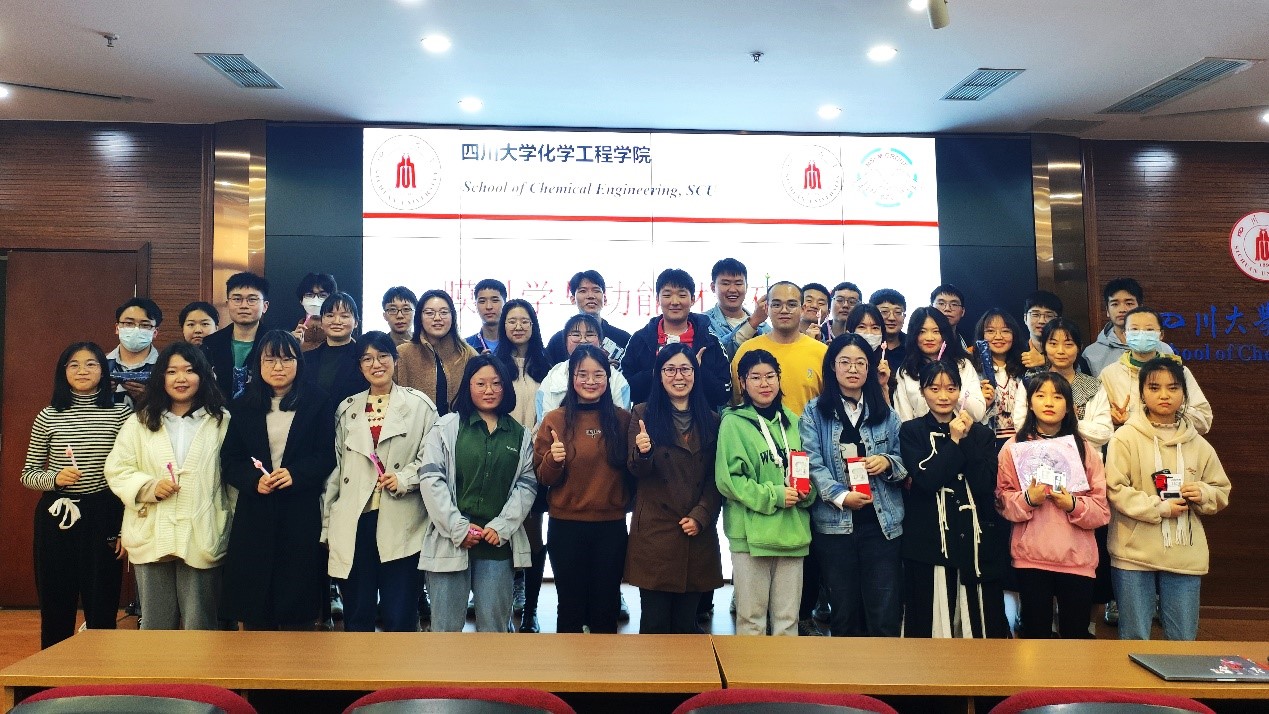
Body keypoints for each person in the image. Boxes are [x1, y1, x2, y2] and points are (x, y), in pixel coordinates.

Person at [105, 343, 232, 630]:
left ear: (203, 375)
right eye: (172, 371)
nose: (181, 378)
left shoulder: (221, 421)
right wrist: (147, 488)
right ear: (161, 377)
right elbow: (117, 469)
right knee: (155, 623)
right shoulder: (139, 421)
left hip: (203, 531)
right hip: (152, 529)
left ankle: (198, 664)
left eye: (190, 370)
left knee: (200, 622)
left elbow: (232, 479)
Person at [1105, 358, 1230, 641]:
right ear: (1142, 393)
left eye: (1173, 388)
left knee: (1183, 641)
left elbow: (1220, 490)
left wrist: (1203, 493)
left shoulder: (1198, 443)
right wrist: (1159, 507)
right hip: (1133, 553)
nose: (1164, 395)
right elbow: (1115, 489)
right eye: (1154, 388)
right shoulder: (1124, 438)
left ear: (1184, 393)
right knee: (1134, 638)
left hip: (1184, 553)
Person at [321, 332, 438, 632]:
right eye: (367, 359)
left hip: (401, 517)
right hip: (355, 519)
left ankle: (398, 665)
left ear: (395, 360)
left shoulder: (420, 406)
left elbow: (431, 458)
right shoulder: (347, 409)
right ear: (359, 366)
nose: (376, 364)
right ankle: (359, 665)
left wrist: (404, 478)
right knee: (357, 612)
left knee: (399, 613)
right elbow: (335, 471)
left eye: (383, 356)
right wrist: (327, 526)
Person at [219, 330, 336, 630]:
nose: (278, 367)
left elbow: (327, 455)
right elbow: (230, 459)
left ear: (299, 363)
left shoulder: (318, 402)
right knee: (256, 607)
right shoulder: (243, 405)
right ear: (258, 364)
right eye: (270, 360)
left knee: (298, 604)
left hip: (300, 510)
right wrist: (252, 480)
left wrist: (297, 473)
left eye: (287, 359)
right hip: (256, 511)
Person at [22, 342, 132, 648]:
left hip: (104, 512)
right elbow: (28, 473)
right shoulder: (48, 415)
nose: (82, 370)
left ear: (103, 371)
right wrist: (55, 479)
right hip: (57, 515)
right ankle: (53, 672)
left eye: (91, 364)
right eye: (74, 365)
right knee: (56, 603)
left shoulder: (120, 414)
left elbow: (130, 471)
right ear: (63, 372)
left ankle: (100, 671)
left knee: (102, 603)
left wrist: (126, 527)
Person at [418, 355, 538, 632]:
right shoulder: (446, 427)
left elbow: (526, 485)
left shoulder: (519, 435)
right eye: (480, 383)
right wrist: (457, 527)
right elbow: (431, 479)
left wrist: (502, 527)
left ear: (506, 387)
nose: (489, 390)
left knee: (494, 631)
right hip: (451, 541)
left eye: (496, 383)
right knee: (445, 631)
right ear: (467, 386)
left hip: (496, 545)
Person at [800, 334, 906, 637]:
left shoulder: (886, 413)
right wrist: (840, 496)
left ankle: (882, 670)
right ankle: (849, 671)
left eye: (860, 362)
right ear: (832, 366)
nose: (852, 369)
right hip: (834, 527)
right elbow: (811, 462)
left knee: (884, 613)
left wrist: (887, 462)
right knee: (844, 613)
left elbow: (903, 460)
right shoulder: (814, 412)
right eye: (845, 362)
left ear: (869, 368)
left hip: (882, 525)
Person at [899, 361, 1008, 638]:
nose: (943, 396)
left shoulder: (981, 433)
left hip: (975, 539)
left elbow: (984, 484)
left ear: (960, 391)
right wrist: (954, 441)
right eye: (934, 389)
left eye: (950, 388)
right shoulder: (911, 431)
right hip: (929, 540)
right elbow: (926, 480)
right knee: (931, 622)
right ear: (922, 392)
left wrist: (966, 439)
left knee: (980, 623)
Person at [996, 373, 1110, 639]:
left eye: (1058, 396)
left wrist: (1073, 504)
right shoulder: (1013, 448)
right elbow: (1002, 501)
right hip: (1031, 558)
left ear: (1069, 406)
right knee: (1035, 639)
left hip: (1077, 559)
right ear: (1030, 403)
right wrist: (1028, 499)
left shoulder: (1084, 450)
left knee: (1074, 637)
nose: (1049, 402)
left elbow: (1102, 510)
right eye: (1041, 395)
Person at [532, 344, 631, 633]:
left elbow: (634, 473)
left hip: (611, 527)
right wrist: (553, 461)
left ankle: (603, 664)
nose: (590, 381)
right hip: (566, 527)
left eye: (598, 374)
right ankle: (570, 664)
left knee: (606, 609)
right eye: (582, 374)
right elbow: (543, 478)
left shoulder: (623, 420)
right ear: (571, 377)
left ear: (608, 378)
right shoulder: (554, 420)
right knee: (570, 608)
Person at [715, 349, 814, 636]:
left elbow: (807, 469)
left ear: (779, 379)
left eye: (770, 376)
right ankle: (751, 669)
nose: (764, 383)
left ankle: (784, 669)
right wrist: (775, 495)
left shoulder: (794, 421)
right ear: (742, 383)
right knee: (751, 621)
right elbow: (729, 481)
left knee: (788, 620)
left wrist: (806, 492)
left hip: (792, 532)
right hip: (750, 536)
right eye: (755, 377)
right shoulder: (733, 422)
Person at [626, 343, 723, 634]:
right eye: (670, 369)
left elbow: (716, 478)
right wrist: (643, 453)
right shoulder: (642, 414)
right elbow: (635, 471)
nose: (678, 376)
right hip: (656, 534)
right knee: (654, 624)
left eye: (685, 369)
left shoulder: (713, 420)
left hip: (695, 532)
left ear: (695, 373)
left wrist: (701, 515)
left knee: (686, 626)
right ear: (659, 375)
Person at [492, 298, 552, 632]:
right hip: (502, 456)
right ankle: (499, 609)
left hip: (538, 458)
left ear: (533, 325)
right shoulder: (494, 364)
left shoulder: (548, 365)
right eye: (511, 321)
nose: (518, 326)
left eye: (524, 321)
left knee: (533, 536)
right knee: (501, 531)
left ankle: (530, 610)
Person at [622, 268, 731, 408]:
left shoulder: (710, 342)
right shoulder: (640, 340)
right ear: (657, 299)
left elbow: (724, 394)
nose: (674, 301)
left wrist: (698, 370)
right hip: (650, 419)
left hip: (700, 420)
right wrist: (656, 372)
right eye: (667, 295)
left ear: (692, 299)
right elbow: (624, 390)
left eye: (682, 295)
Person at [1098, 307, 1212, 435]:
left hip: (1173, 443)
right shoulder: (1109, 374)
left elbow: (1204, 422)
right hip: (1129, 444)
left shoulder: (1179, 372)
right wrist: (1113, 420)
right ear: (1125, 335)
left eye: (1149, 330)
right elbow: (1098, 425)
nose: (1141, 334)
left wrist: (1171, 410)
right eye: (1134, 329)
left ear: (1161, 335)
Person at [730, 281, 827, 417]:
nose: (784, 310)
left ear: (803, 308)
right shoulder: (747, 350)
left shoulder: (822, 353)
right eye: (776, 305)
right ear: (766, 308)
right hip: (757, 429)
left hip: (809, 430)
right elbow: (737, 401)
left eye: (791, 304)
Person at [1016, 319, 1113, 447]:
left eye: (1068, 344)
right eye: (1053, 344)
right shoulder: (1031, 382)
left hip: (1084, 456)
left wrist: (1068, 421)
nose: (1060, 351)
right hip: (1039, 455)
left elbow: (1105, 433)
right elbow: (1021, 425)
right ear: (1044, 346)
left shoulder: (1093, 386)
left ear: (1079, 347)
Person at [892, 307, 986, 424]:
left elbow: (978, 413)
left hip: (962, 432)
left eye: (936, 331)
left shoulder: (962, 365)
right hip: (921, 435)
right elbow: (904, 418)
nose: (929, 338)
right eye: (922, 332)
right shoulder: (906, 372)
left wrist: (952, 388)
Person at [396, 289, 478, 416]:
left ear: (452, 316)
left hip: (458, 427)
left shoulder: (467, 354)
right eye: (430, 313)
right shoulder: (403, 354)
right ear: (419, 317)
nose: (437, 318)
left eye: (444, 312)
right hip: (414, 427)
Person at [536, 313, 631, 419]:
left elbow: (622, 419)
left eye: (590, 335)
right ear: (565, 341)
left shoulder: (616, 378)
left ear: (600, 341)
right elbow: (545, 420)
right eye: (576, 335)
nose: (583, 340)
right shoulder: (554, 376)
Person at [1083, 278, 1173, 375]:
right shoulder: (1091, 354)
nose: (1122, 309)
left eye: (1129, 303)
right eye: (1115, 304)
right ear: (1107, 311)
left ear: (1140, 308)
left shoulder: (1164, 350)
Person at [203, 271, 270, 401]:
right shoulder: (210, 344)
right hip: (218, 411)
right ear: (227, 304)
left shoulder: (275, 344)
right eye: (237, 299)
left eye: (252, 299)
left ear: (265, 306)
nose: (244, 306)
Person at [545, 270, 632, 364]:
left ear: (605, 299)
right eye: (583, 291)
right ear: (573, 299)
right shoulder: (558, 340)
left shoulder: (623, 338)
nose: (590, 296)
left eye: (596, 290)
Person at [973, 308, 1027, 447]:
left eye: (1005, 331)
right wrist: (980, 402)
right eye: (990, 331)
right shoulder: (972, 371)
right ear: (981, 335)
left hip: (1022, 442)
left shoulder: (1025, 370)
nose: (998, 337)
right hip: (986, 444)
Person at [304, 292, 370, 404]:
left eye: (344, 316)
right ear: (321, 322)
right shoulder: (306, 359)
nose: (337, 321)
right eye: (330, 315)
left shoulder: (364, 358)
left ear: (356, 323)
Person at [704, 258, 769, 361]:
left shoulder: (763, 326)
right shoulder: (703, 322)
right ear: (713, 287)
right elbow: (716, 356)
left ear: (746, 287)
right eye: (725, 283)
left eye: (738, 284)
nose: (733, 290)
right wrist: (753, 322)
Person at [107, 297, 162, 407]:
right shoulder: (101, 365)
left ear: (155, 332)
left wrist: (151, 399)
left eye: (145, 325)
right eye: (129, 323)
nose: (136, 330)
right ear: (117, 328)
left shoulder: (165, 367)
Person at [845, 303, 893, 402]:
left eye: (875, 328)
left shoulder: (885, 369)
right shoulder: (839, 365)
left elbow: (888, 411)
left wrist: (883, 386)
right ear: (849, 332)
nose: (869, 333)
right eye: (862, 327)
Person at [291, 272, 338, 352]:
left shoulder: (340, 331)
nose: (315, 300)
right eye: (309, 295)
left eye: (323, 295)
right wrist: (290, 344)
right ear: (301, 300)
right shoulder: (292, 332)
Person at [1020, 290, 1062, 369]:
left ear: (1059, 320)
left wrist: (1046, 361)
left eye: (1049, 316)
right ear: (1025, 318)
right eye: (1035, 314)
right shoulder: (1015, 352)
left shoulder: (1067, 352)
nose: (1041, 321)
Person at [869, 288, 907, 375]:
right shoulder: (866, 344)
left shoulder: (913, 346)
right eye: (884, 312)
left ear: (904, 316)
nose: (891, 318)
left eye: (898, 312)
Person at [465, 278, 506, 353]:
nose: (488, 307)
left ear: (505, 304)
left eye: (495, 300)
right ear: (476, 305)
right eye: (482, 301)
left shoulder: (515, 344)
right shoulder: (465, 347)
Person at [930, 284, 969, 351]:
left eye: (954, 304)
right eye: (941, 303)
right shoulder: (919, 338)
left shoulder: (970, 340)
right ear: (931, 308)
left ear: (962, 312)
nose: (947, 309)